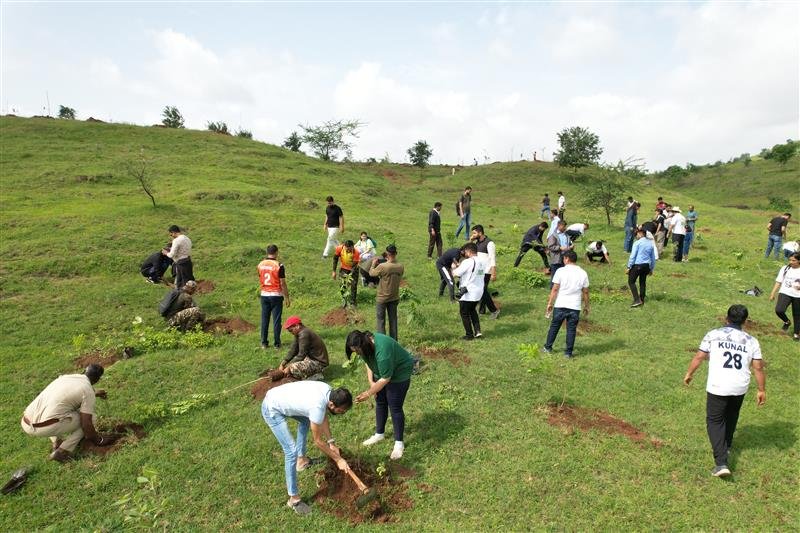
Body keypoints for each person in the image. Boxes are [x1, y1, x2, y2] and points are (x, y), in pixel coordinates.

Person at [683, 305, 766, 477]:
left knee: (714, 420)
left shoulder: (713, 335)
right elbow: (758, 368)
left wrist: (690, 373)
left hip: (718, 385)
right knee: (732, 415)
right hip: (740, 386)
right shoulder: (752, 341)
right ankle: (726, 446)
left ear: (726, 318)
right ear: (744, 322)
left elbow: (699, 356)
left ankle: (721, 463)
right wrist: (761, 390)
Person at [261, 381, 353, 515]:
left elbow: (322, 417)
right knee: (290, 451)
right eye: (341, 411)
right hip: (272, 408)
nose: (341, 413)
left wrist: (331, 442)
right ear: (332, 404)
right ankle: (294, 499)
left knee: (305, 420)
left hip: (280, 398)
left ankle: (302, 461)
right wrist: (338, 460)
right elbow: (318, 441)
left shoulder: (328, 392)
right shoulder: (317, 406)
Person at [345, 330, 414, 460]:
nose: (357, 354)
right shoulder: (365, 344)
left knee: (395, 407)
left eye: (357, 351)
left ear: (363, 345)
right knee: (381, 402)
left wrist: (368, 393)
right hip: (383, 372)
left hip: (399, 373)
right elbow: (368, 362)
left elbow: (386, 378)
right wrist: (371, 383)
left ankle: (399, 443)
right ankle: (379, 434)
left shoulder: (382, 352)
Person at [21, 364, 109, 462]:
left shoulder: (65, 377)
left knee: (56, 409)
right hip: (44, 427)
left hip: (26, 421)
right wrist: (99, 440)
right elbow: (86, 424)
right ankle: (62, 451)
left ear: (84, 372)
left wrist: (94, 393)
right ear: (97, 379)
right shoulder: (87, 390)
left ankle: (56, 442)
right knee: (92, 418)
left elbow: (71, 392)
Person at [542, 250, 590, 358]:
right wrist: (586, 306)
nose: (563, 260)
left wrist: (550, 303)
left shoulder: (560, 271)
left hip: (560, 305)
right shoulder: (583, 273)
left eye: (564, 258)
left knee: (554, 326)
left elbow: (555, 289)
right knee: (571, 329)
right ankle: (568, 353)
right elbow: (586, 291)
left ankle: (548, 347)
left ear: (567, 259)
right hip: (575, 306)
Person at [270, 316, 329, 381]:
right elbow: (293, 350)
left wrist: (289, 367)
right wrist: (283, 363)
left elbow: (301, 355)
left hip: (319, 363)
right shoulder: (299, 333)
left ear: (297, 326)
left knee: (293, 368)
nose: (291, 332)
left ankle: (316, 376)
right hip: (311, 358)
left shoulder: (304, 334)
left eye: (291, 330)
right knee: (293, 366)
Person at [258, 244, 290, 349]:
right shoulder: (279, 265)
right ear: (276, 252)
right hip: (276, 295)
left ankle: (264, 343)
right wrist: (287, 297)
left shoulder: (260, 264)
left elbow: (260, 277)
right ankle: (277, 343)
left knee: (265, 319)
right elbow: (283, 283)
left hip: (264, 294)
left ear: (267, 252)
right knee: (276, 320)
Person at [370, 245, 405, 340]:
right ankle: (394, 342)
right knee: (393, 321)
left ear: (387, 254)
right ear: (396, 253)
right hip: (394, 297)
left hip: (382, 298)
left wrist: (373, 263)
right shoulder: (400, 266)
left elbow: (371, 273)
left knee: (381, 321)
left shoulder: (382, 266)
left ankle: (383, 342)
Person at [452, 242, 484, 339]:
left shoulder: (468, 262)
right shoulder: (481, 262)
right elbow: (476, 274)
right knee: (472, 310)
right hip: (478, 292)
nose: (464, 254)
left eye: (465, 251)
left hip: (468, 293)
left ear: (469, 251)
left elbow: (456, 274)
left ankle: (469, 335)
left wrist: (454, 268)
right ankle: (477, 331)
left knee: (464, 313)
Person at [768, 252, 800, 341]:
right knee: (779, 310)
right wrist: (772, 293)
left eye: (793, 260)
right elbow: (779, 281)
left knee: (797, 315)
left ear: (799, 261)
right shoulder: (785, 268)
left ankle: (796, 333)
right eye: (790, 260)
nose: (791, 262)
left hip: (798, 296)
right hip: (785, 292)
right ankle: (787, 322)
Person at [471, 225, 499, 318]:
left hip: (487, 271)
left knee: (482, 290)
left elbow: (492, 259)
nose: (473, 235)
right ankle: (482, 311)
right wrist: (471, 241)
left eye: (474, 233)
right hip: (479, 271)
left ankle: (494, 310)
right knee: (482, 291)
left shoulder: (490, 243)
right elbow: (468, 251)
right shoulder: (477, 242)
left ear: (480, 233)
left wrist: (493, 273)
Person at [626, 228, 657, 307]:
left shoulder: (637, 243)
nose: (636, 236)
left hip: (638, 265)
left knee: (631, 281)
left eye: (636, 235)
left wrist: (629, 267)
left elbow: (633, 256)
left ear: (640, 233)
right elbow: (653, 258)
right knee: (642, 282)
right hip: (646, 266)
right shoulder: (650, 243)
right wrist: (651, 268)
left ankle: (637, 300)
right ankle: (642, 300)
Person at [332, 240, 361, 307]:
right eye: (346, 248)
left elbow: (354, 266)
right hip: (343, 268)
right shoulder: (339, 248)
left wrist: (350, 275)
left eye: (349, 249)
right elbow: (335, 259)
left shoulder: (356, 252)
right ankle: (344, 300)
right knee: (342, 284)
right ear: (344, 246)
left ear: (352, 247)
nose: (348, 250)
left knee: (353, 285)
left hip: (354, 269)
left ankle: (353, 302)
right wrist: (334, 271)